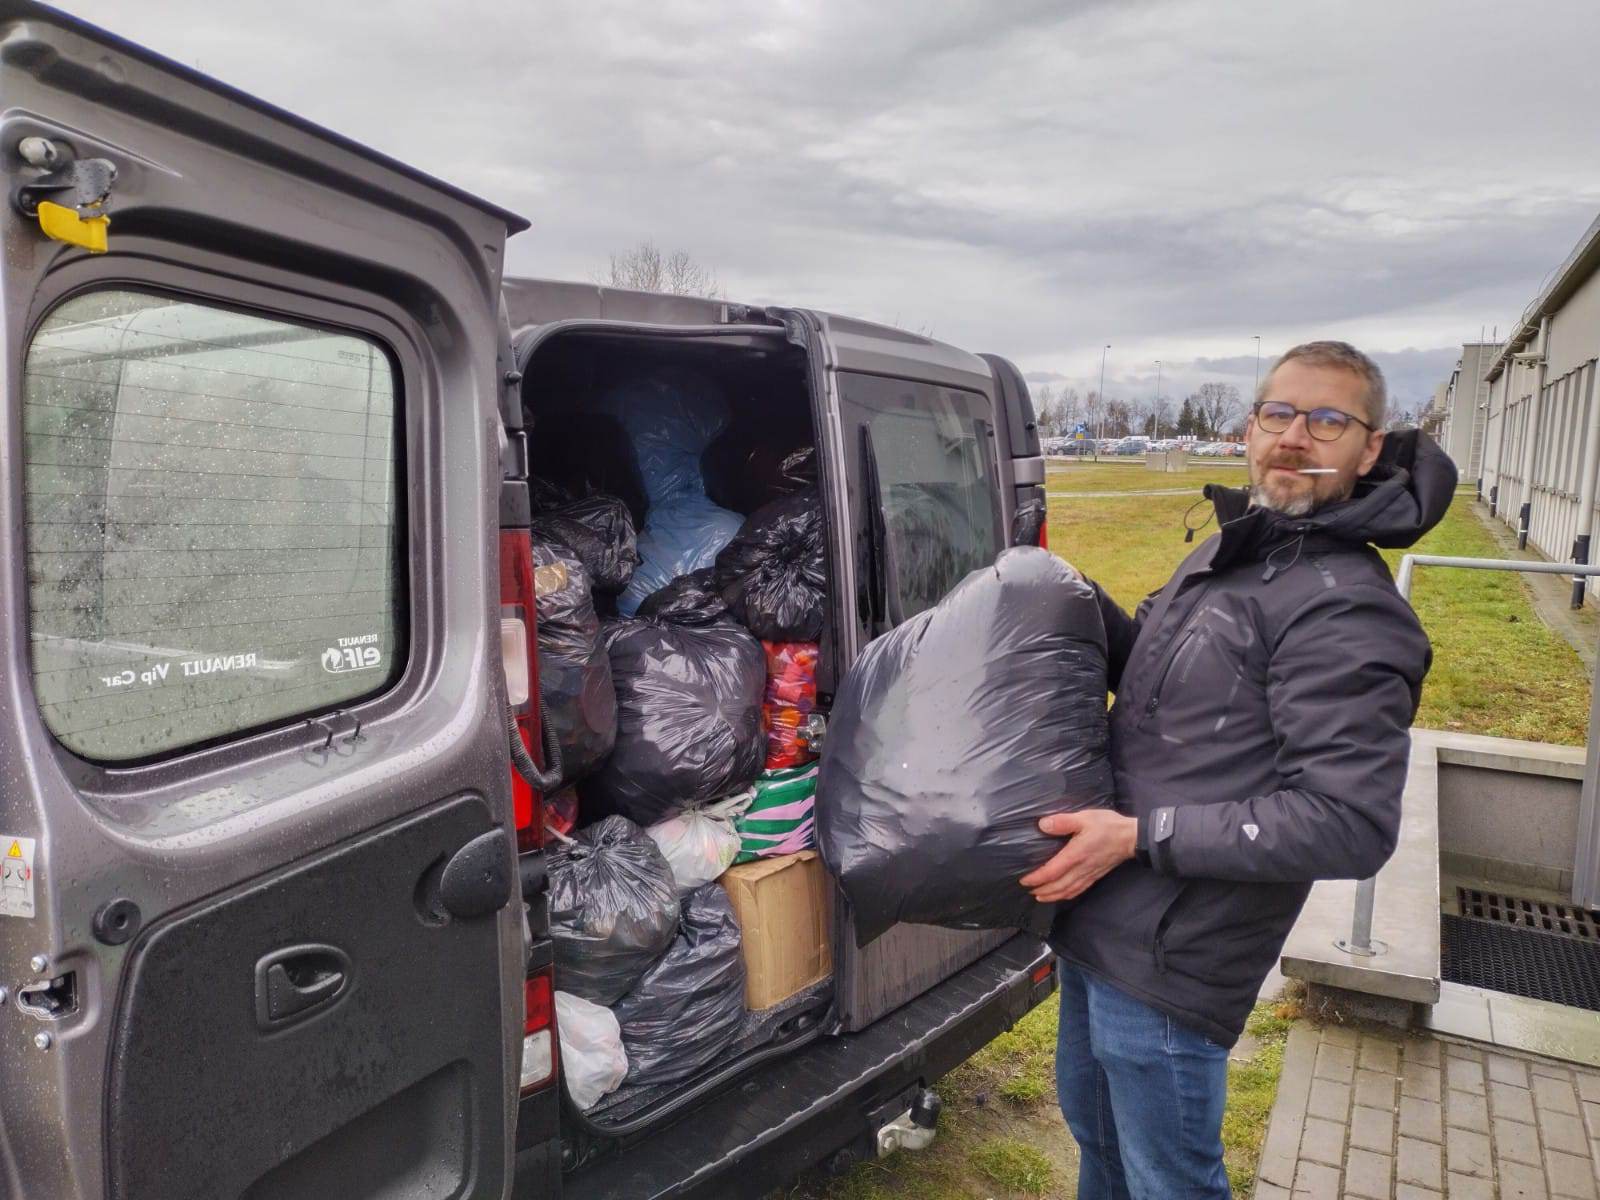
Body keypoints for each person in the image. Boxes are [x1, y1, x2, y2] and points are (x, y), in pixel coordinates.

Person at [1020, 341, 1457, 1198]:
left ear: (1370, 447)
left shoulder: (1347, 609)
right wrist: (1062, 591)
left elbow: (1349, 820)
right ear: (1251, 428)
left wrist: (1138, 836)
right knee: (1099, 1144)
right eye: (1279, 413)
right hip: (1101, 917)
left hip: (1175, 955)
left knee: (1168, 1181)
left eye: (1327, 420)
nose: (1295, 436)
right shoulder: (1239, 551)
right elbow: (1156, 673)